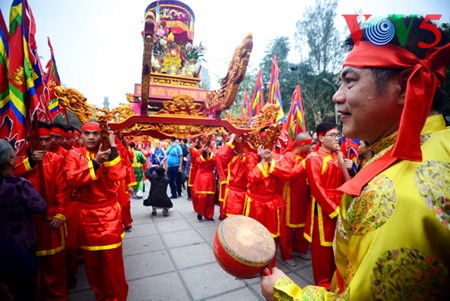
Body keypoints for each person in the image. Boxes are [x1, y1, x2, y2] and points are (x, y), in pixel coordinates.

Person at [261, 16, 450, 300]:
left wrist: (284, 291)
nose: (337, 96)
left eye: (349, 81)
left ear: (403, 86)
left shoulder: (396, 194)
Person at [64, 121, 128, 300]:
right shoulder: (73, 154)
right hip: (86, 218)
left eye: (95, 134)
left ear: (102, 136)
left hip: (109, 216)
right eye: (87, 134)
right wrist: (95, 163)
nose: (91, 137)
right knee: (92, 267)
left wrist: (113, 148)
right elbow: (71, 180)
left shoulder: (109, 152)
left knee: (112, 266)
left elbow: (118, 175)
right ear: (81, 136)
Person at [13, 122, 70, 300]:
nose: (44, 144)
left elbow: (63, 189)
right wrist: (30, 162)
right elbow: (10, 175)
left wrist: (61, 213)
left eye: (47, 139)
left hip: (50, 219)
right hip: (26, 222)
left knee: (55, 268)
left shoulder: (56, 160)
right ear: (30, 139)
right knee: (30, 269)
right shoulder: (19, 159)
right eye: (39, 140)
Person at [0, 139, 47, 301]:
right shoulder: (18, 184)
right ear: (10, 160)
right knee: (24, 290)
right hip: (21, 244)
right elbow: (39, 207)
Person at [270, 132, 312, 267]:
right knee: (287, 227)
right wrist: (304, 164)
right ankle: (286, 254)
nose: (311, 147)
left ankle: (300, 249)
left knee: (301, 224)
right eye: (309, 145)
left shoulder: (303, 156)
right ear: (303, 145)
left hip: (301, 195)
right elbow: (287, 175)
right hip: (290, 197)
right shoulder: (288, 157)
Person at [193, 139, 217, 222]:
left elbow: (215, 162)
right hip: (201, 175)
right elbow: (198, 162)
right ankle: (200, 212)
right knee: (202, 196)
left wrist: (210, 152)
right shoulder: (199, 151)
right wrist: (203, 153)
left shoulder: (214, 151)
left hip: (210, 175)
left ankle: (209, 215)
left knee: (210, 197)